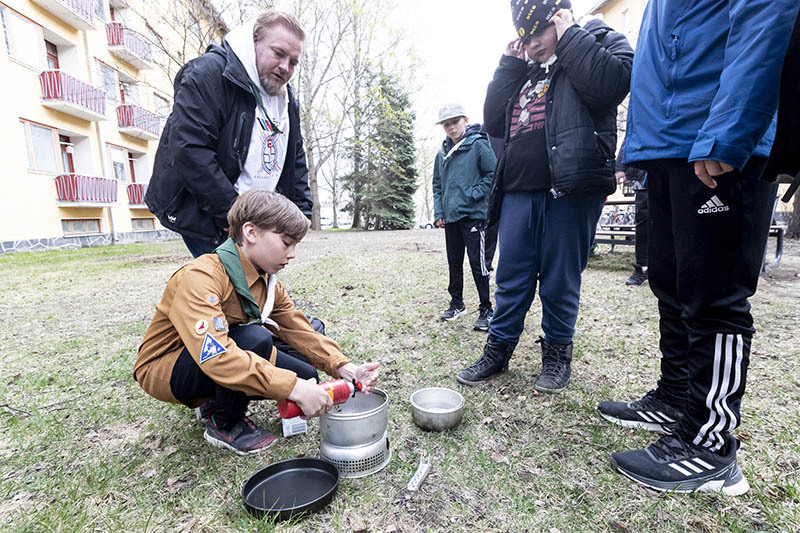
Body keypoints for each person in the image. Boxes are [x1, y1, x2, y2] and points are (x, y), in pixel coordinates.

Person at [598, 0, 800, 495]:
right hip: (667, 141)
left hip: (719, 136)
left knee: (716, 296)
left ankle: (711, 445)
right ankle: (674, 399)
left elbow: (768, 14)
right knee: (671, 282)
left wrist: (732, 126)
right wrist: (639, 146)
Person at [456, 1, 632, 393]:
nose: (533, 44)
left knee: (559, 279)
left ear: (560, 19)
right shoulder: (526, 67)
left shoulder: (597, 39)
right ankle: (498, 350)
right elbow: (496, 118)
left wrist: (570, 37)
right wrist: (508, 62)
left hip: (573, 187)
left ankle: (556, 354)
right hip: (519, 187)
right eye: (525, 36)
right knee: (511, 276)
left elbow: (610, 86)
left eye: (539, 33)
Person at [133, 190, 380, 455]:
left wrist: (344, 367)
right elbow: (216, 356)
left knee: (307, 376)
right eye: (286, 243)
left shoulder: (267, 281)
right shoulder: (201, 277)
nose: (293, 254)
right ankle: (223, 422)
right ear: (251, 233)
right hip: (170, 368)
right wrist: (293, 388)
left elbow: (298, 329)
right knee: (255, 340)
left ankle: (216, 397)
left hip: (221, 352)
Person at [145, 11, 313, 258]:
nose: (285, 67)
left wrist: (302, 212)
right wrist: (231, 213)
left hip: (258, 220)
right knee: (232, 287)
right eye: (278, 53)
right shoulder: (207, 74)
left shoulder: (287, 99)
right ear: (254, 40)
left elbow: (295, 156)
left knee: (255, 286)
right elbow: (190, 149)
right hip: (212, 215)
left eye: (293, 62)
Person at [432, 103, 498, 330]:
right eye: (446, 124)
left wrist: (474, 195)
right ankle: (457, 303)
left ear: (465, 120)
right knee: (454, 261)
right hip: (451, 217)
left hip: (473, 215)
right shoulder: (441, 152)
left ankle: (486, 308)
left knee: (478, 263)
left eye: (455, 122)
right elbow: (437, 185)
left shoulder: (478, 144)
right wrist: (440, 212)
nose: (451, 128)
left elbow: (492, 173)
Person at [614, 145, 648, 286]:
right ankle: (643, 267)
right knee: (643, 223)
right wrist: (619, 168)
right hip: (643, 174)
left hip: (674, 164)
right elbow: (631, 136)